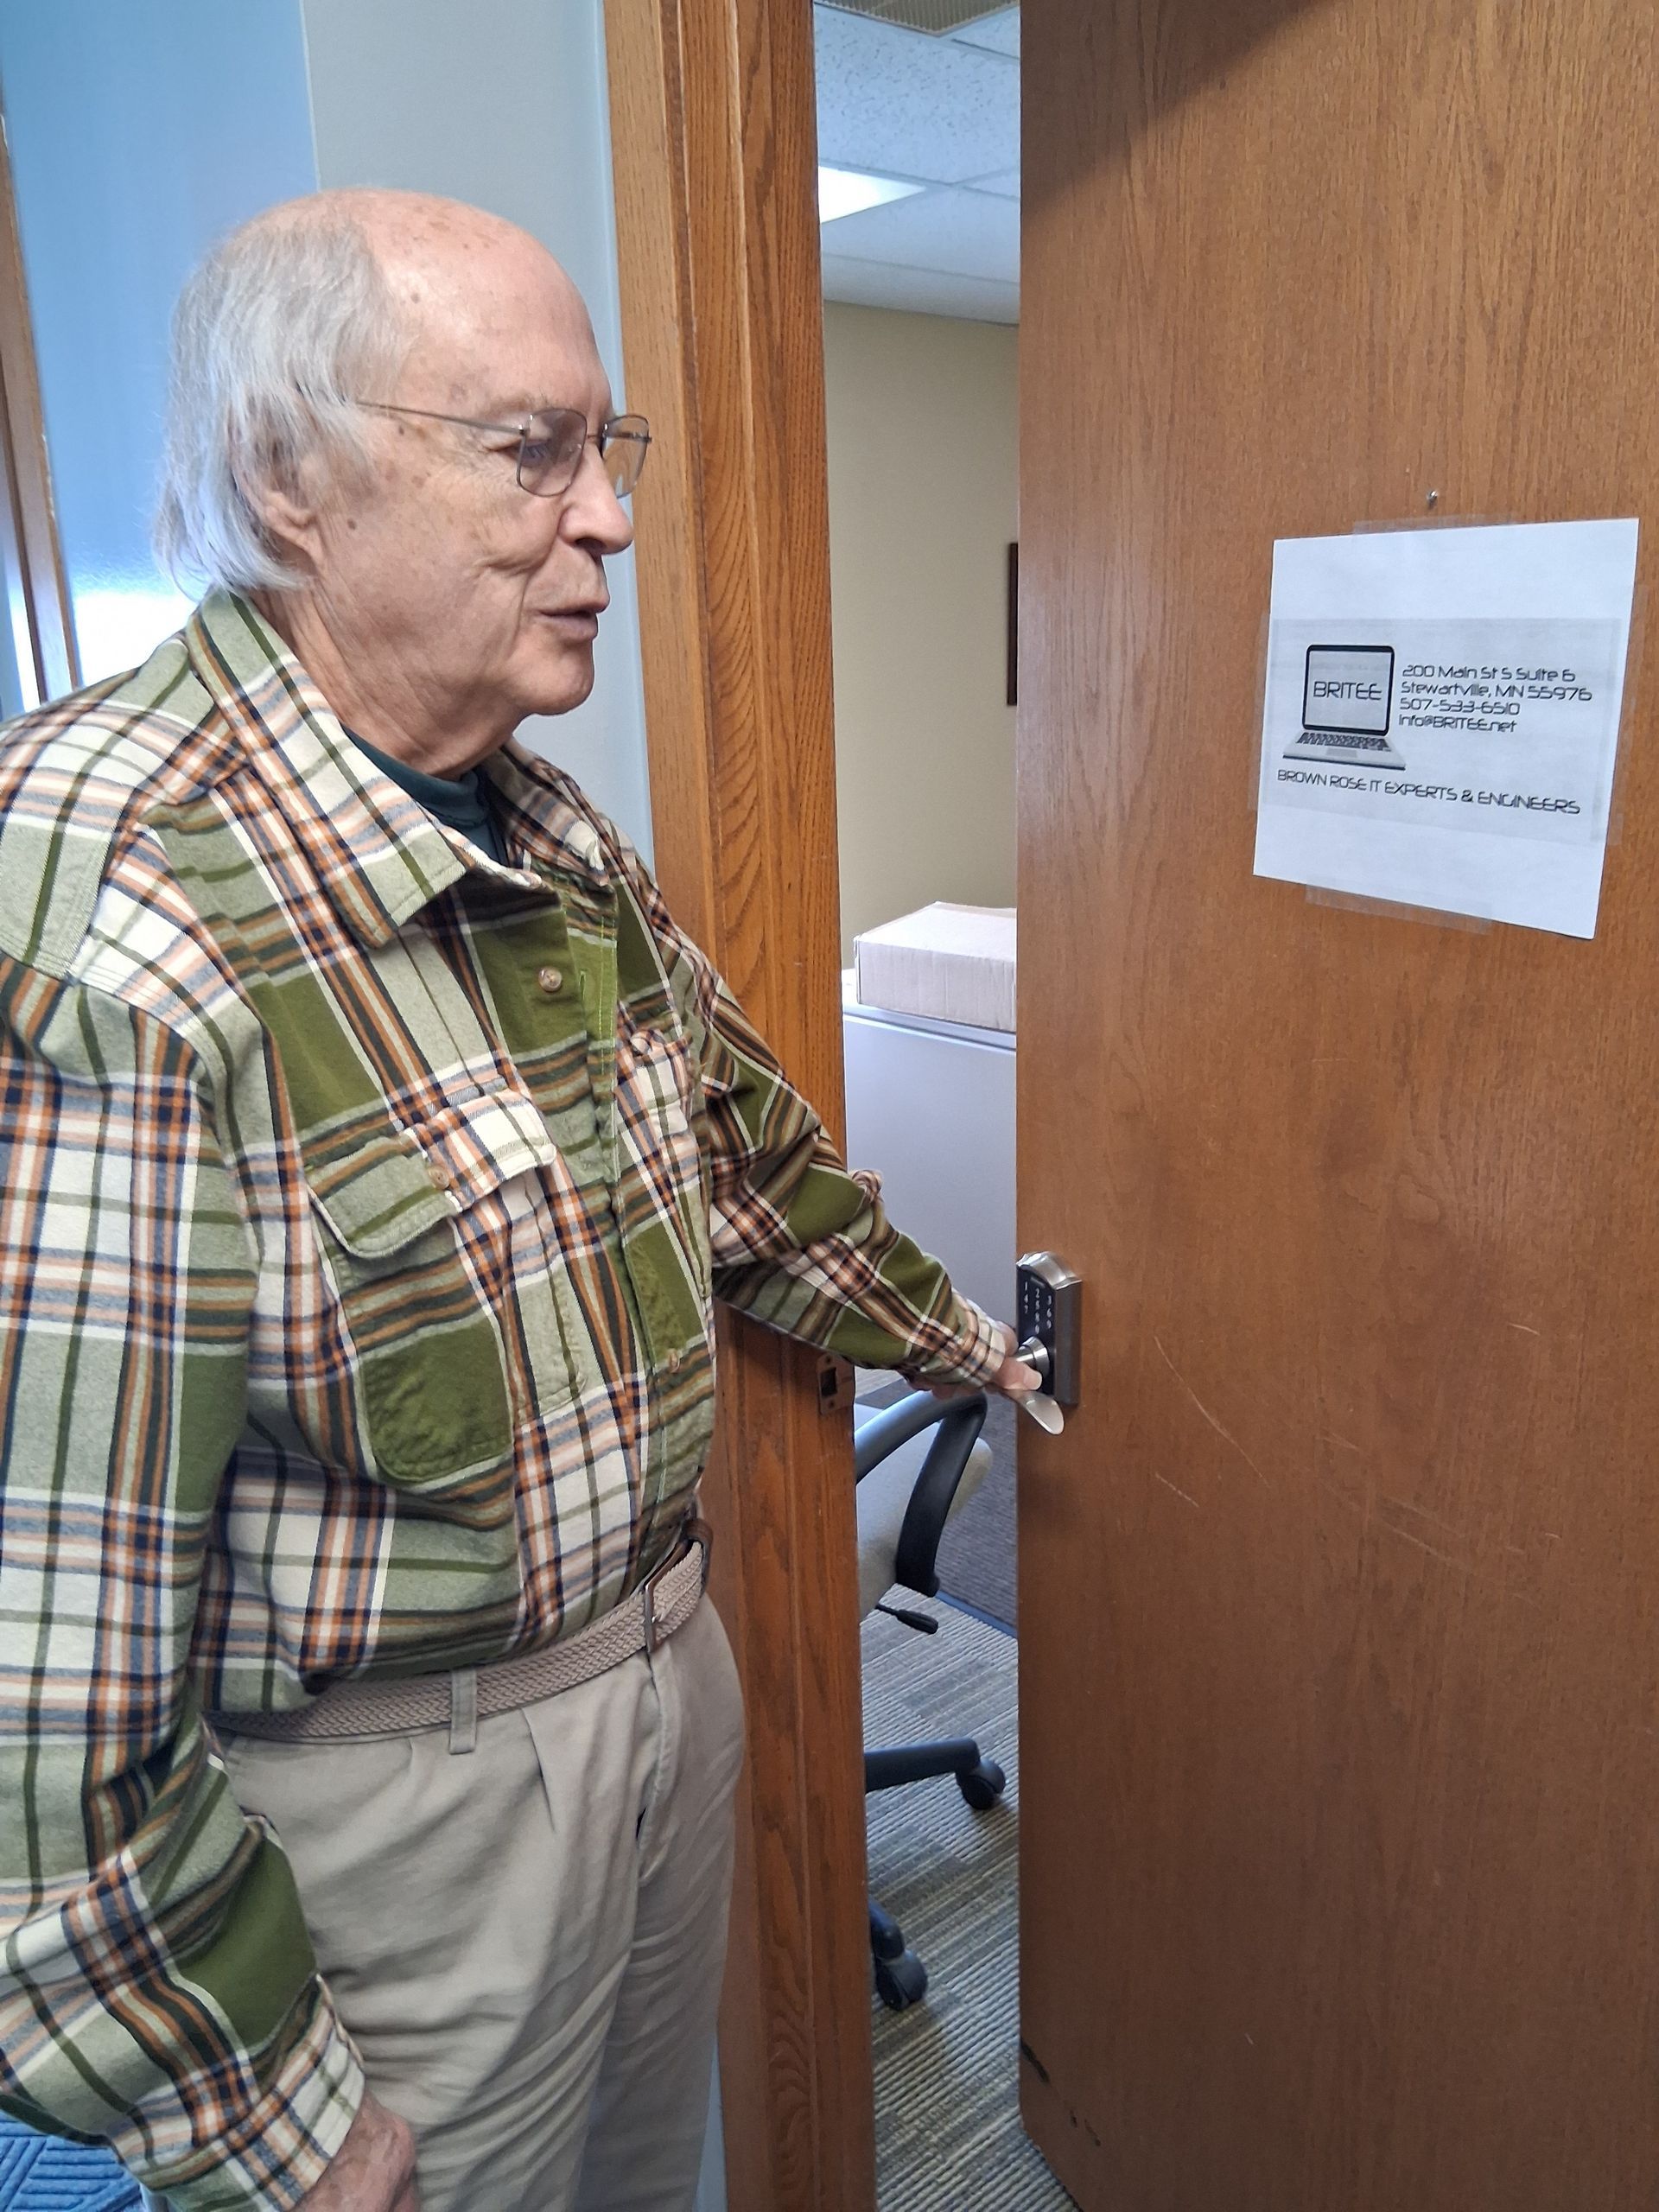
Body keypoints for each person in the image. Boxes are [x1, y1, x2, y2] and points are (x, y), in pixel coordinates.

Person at [0, 189, 1036, 2212]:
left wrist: (981, 1342)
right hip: (390, 1818)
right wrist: (263, 2118)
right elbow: (36, 1700)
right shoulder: (105, 913)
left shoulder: (547, 827)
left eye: (606, 448)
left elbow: (751, 1167)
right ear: (290, 476)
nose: (610, 520)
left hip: (661, 1685)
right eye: (530, 449)